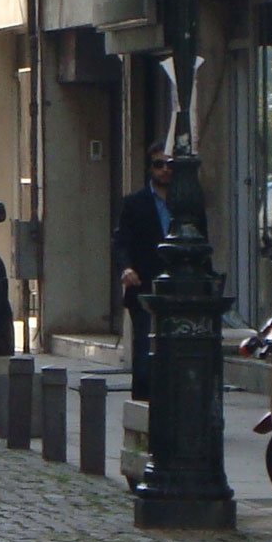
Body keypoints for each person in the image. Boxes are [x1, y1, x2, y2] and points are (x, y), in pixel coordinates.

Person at [112, 149, 171, 402]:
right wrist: (126, 268)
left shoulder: (186, 201)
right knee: (144, 351)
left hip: (177, 289)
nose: (165, 170)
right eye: (159, 165)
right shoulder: (135, 203)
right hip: (144, 285)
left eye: (170, 165)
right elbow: (121, 241)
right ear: (150, 168)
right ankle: (142, 407)